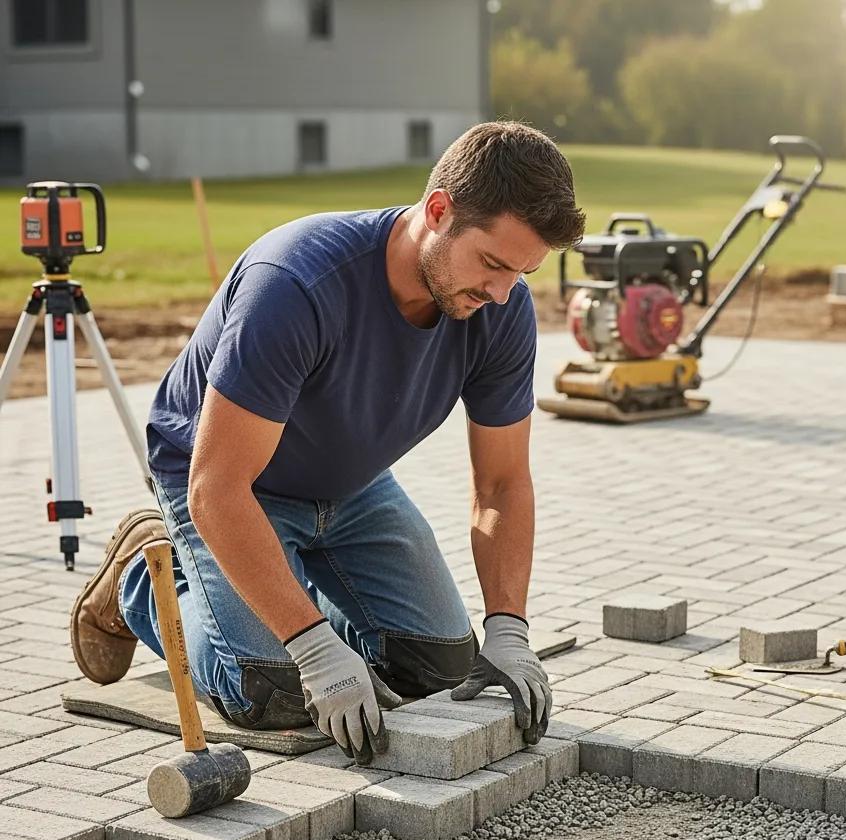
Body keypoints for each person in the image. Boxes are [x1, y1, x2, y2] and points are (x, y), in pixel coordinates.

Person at [69, 121, 586, 766]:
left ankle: (284, 602)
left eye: (522, 272)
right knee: (274, 688)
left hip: (352, 485)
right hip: (229, 486)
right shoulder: (296, 283)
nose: (502, 292)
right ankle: (144, 578)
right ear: (438, 211)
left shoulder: (499, 307)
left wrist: (509, 627)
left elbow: (503, 482)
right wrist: (311, 648)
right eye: (492, 263)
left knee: (443, 673)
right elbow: (217, 487)